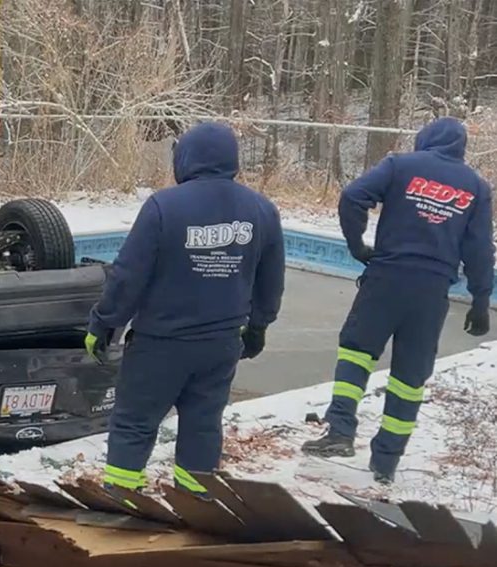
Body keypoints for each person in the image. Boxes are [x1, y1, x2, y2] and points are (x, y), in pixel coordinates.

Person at [85, 121, 285, 498]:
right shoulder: (261, 210)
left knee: (134, 423)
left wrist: (104, 323)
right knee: (203, 424)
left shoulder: (164, 207)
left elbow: (129, 274)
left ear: (186, 158)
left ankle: (122, 499)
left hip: (161, 344)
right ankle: (197, 502)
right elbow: (271, 279)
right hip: (221, 345)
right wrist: (258, 326)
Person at [301, 116, 494, 484]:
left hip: (387, 278)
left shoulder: (401, 165)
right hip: (432, 291)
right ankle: (387, 462)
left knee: (357, 351)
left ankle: (341, 430)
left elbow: (353, 196)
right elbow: (480, 248)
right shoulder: (476, 187)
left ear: (427, 140)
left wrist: (357, 245)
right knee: (410, 375)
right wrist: (480, 299)